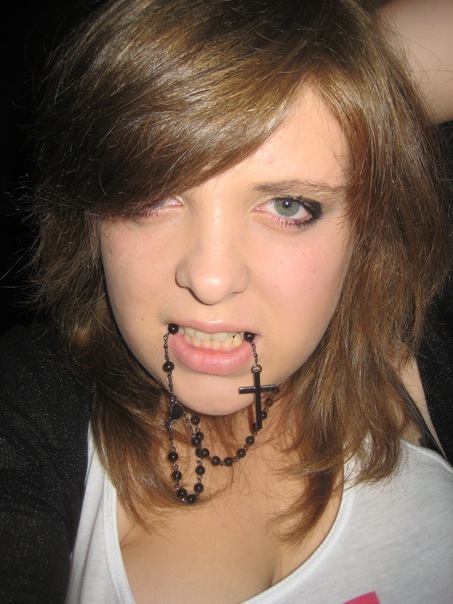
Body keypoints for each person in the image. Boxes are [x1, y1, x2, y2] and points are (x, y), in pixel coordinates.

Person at [0, 0, 452, 603]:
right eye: (152, 197)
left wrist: (319, 44)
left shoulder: (415, 369)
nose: (210, 280)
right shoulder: (28, 409)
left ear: (366, 228)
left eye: (288, 205)